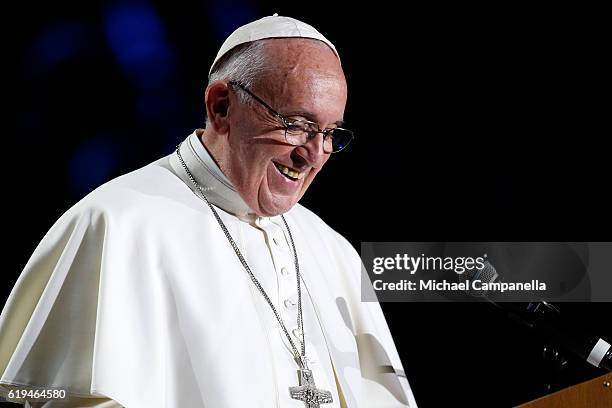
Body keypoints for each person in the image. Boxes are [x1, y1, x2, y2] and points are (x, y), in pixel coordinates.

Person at [0, 14, 418, 408]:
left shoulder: (331, 249)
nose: (314, 155)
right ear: (221, 107)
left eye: (330, 134)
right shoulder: (118, 223)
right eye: (295, 124)